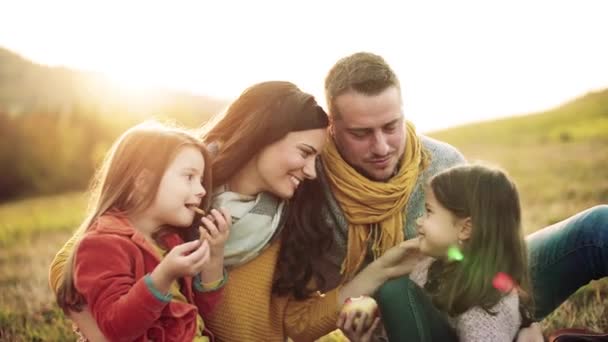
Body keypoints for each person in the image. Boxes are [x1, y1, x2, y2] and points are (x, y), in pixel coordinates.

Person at [277, 51, 608, 341]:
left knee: (597, 228)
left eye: (391, 126)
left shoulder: (443, 162)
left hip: (483, 297)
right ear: (332, 126)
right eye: (361, 133)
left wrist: (523, 318)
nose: (381, 147)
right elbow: (299, 315)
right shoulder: (306, 185)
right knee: (395, 289)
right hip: (406, 323)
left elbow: (488, 254)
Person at [49, 81, 416, 342]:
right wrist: (102, 331)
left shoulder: (295, 220)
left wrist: (381, 269)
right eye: (305, 153)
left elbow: (299, 325)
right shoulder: (182, 191)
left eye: (316, 159)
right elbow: (74, 256)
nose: (310, 171)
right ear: (264, 135)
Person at [50, 122, 231, 341]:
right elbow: (116, 329)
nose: (202, 190)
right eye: (189, 177)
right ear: (144, 183)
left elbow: (199, 312)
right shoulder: (102, 244)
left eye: (201, 180)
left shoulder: (168, 241)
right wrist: (163, 276)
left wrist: (215, 254)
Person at [368, 164, 533, 342]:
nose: (419, 221)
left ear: (465, 229)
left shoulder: (483, 311)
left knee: (396, 291)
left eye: (429, 212)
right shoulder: (436, 265)